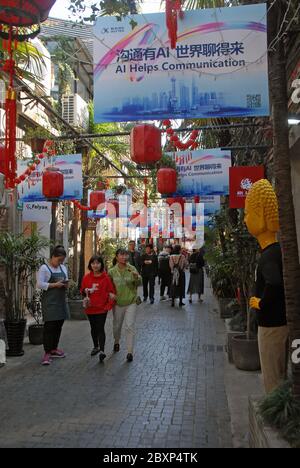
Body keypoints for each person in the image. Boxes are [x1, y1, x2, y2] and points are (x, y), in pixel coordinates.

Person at [244, 179, 288, 394]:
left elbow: (274, 282)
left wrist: (260, 302)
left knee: (272, 374)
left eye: (247, 213)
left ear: (260, 214)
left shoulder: (269, 257)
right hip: (278, 321)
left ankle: (274, 410)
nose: (245, 219)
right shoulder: (274, 252)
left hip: (271, 325)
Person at [37, 245, 69, 366]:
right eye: (59, 260)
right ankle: (47, 352)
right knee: (49, 327)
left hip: (60, 302)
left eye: (62, 260)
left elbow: (66, 280)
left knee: (58, 326)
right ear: (53, 257)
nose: (60, 263)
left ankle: (54, 349)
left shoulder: (63, 268)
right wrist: (55, 285)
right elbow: (40, 284)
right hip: (50, 302)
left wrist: (66, 285)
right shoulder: (44, 268)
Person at [109, 248, 142, 362]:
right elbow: (107, 287)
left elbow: (139, 283)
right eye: (121, 255)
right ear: (117, 257)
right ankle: (116, 341)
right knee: (117, 326)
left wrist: (137, 278)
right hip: (118, 303)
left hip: (131, 301)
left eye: (125, 255)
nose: (124, 257)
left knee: (129, 326)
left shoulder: (132, 269)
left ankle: (129, 352)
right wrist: (110, 294)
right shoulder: (112, 271)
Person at [80, 255, 116, 362]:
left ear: (101, 264)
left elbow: (112, 292)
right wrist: (85, 291)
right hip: (90, 308)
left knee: (100, 328)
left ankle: (102, 351)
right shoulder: (86, 277)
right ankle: (95, 346)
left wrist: (108, 306)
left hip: (101, 308)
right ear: (90, 265)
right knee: (93, 328)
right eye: (93, 263)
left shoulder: (106, 278)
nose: (95, 265)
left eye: (98, 263)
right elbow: (82, 290)